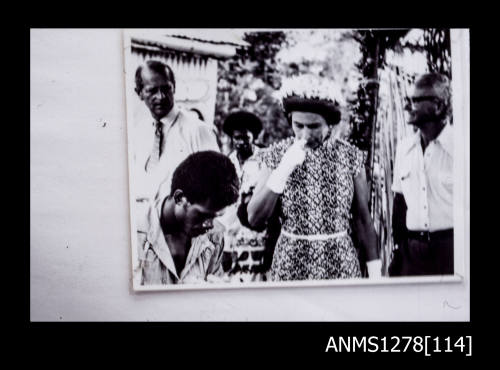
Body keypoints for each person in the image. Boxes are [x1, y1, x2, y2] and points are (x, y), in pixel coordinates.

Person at [246, 75, 382, 281]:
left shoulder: (350, 156)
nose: (305, 134)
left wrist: (375, 275)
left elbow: (363, 219)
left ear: (330, 124)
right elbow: (254, 217)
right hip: (290, 264)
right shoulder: (277, 155)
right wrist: (283, 170)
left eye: (314, 126)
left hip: (340, 263)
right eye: (298, 125)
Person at [136, 151, 239, 285]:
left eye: (215, 217)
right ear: (179, 198)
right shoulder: (135, 232)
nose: (210, 225)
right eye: (203, 215)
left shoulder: (215, 237)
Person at [390, 73, 453, 276]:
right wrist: (399, 251)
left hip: (452, 250)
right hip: (413, 254)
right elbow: (399, 203)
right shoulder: (404, 148)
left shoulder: (462, 147)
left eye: (416, 100)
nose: (408, 106)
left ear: (439, 105)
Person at [132, 60, 220, 203]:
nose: (160, 96)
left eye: (166, 88)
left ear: (174, 88)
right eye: (152, 90)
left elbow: (217, 185)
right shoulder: (139, 131)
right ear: (139, 93)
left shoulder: (197, 130)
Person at [217, 111, 271, 282]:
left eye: (245, 137)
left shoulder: (266, 159)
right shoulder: (227, 163)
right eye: (236, 138)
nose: (240, 142)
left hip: (258, 234)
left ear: (253, 136)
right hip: (230, 234)